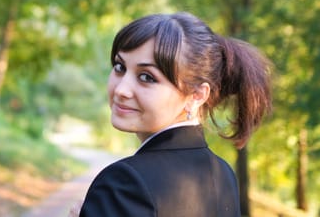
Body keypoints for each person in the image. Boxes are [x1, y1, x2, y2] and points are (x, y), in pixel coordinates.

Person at [72, 12, 272, 217]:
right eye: (120, 67)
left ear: (196, 95)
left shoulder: (125, 182)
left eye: (146, 77)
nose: (122, 89)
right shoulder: (223, 174)